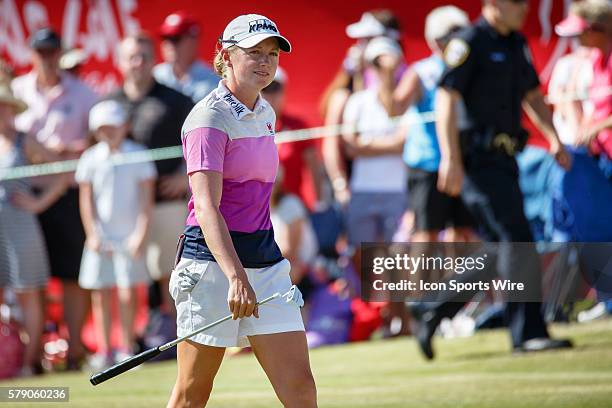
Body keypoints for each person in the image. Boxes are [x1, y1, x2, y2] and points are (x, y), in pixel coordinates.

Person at [167, 14, 317, 407]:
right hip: (213, 265)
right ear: (226, 57)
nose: (265, 62)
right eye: (253, 53)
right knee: (192, 393)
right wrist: (235, 276)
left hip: (264, 261)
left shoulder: (265, 112)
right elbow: (206, 206)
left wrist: (252, 270)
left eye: (271, 54)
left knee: (300, 387)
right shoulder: (208, 118)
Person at [411, 0, 574, 360]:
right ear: (493, 5)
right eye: (516, 3)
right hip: (475, 162)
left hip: (505, 159)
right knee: (516, 240)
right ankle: (527, 334)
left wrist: (553, 137)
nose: (524, 9)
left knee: (503, 246)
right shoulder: (468, 41)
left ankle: (432, 307)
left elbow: (531, 93)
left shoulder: (515, 42)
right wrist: (450, 158)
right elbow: (445, 97)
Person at [11, 27, 98, 370]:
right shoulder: (17, 92)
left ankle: (75, 349)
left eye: (51, 51)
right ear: (31, 54)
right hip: (26, 194)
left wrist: (69, 151)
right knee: (31, 280)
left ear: (60, 53)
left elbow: (96, 143)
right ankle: (39, 352)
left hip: (68, 194)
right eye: (40, 51)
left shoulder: (84, 93)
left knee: (73, 275)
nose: (46, 57)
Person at [108, 33, 193, 318]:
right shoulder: (108, 105)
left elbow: (199, 144)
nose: (138, 63)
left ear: (154, 60)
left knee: (172, 275)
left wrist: (185, 176)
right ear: (120, 63)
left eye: (144, 56)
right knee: (126, 280)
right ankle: (132, 343)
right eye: (132, 57)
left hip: (165, 203)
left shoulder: (177, 101)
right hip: (122, 210)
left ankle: (175, 337)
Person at [76, 100, 156, 368]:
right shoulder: (90, 158)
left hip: (129, 237)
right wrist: (93, 234)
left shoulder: (138, 154)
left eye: (113, 126)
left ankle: (126, 346)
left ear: (125, 126)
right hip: (100, 238)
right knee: (100, 293)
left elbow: (147, 200)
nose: (108, 132)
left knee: (127, 292)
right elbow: (86, 200)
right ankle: (105, 350)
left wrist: (139, 235)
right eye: (102, 128)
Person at [389, 6, 474, 243]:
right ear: (436, 40)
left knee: (462, 233)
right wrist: (387, 75)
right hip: (427, 165)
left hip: (464, 161)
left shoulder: (471, 69)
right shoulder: (420, 71)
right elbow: (395, 109)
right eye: (453, 33)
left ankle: (459, 281)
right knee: (426, 235)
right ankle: (420, 283)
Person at [0, 83, 68, 376]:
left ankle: (28, 363)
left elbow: (62, 175)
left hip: (20, 228)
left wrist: (38, 203)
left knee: (28, 293)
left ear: (12, 110)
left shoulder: (24, 141)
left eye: (4, 106)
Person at [556, 0, 612, 176]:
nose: (577, 38)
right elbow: (597, 106)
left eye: (582, 32)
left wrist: (596, 128)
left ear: (598, 29)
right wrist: (586, 127)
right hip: (603, 157)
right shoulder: (595, 59)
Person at [261, 67, 324, 210]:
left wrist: (319, 204)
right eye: (266, 89)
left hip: (292, 207)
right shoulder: (247, 126)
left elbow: (314, 166)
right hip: (256, 207)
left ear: (283, 92)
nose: (270, 96)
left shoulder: (297, 126)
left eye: (275, 89)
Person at [154, 11, 219, 103]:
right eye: (165, 38)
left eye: (175, 38)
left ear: (193, 41)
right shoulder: (155, 76)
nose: (169, 45)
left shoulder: (214, 81)